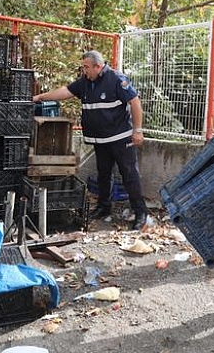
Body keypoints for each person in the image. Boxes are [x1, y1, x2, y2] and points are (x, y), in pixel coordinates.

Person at [33, 50, 148, 230]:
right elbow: (66, 91)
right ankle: (104, 208)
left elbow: (135, 102)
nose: (84, 70)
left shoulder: (116, 79)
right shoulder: (85, 82)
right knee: (103, 174)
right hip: (100, 139)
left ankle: (140, 213)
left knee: (129, 174)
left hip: (120, 137)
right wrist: (40, 97)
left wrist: (137, 130)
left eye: (87, 67)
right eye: (83, 67)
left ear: (98, 66)